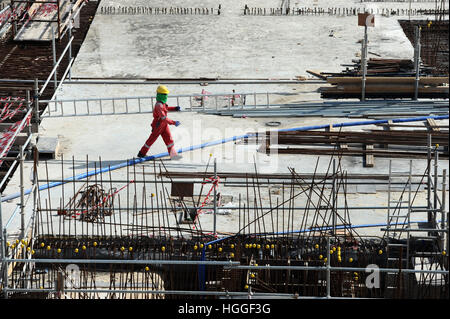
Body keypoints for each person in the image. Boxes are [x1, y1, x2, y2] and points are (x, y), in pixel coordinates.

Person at [137, 85, 181, 159]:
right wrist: (174, 122)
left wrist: (175, 108)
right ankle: (142, 153)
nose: (166, 96)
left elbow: (166, 109)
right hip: (158, 125)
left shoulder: (162, 104)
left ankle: (173, 155)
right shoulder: (158, 105)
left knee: (169, 139)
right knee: (151, 140)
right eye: (164, 94)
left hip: (164, 125)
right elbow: (164, 118)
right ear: (160, 95)